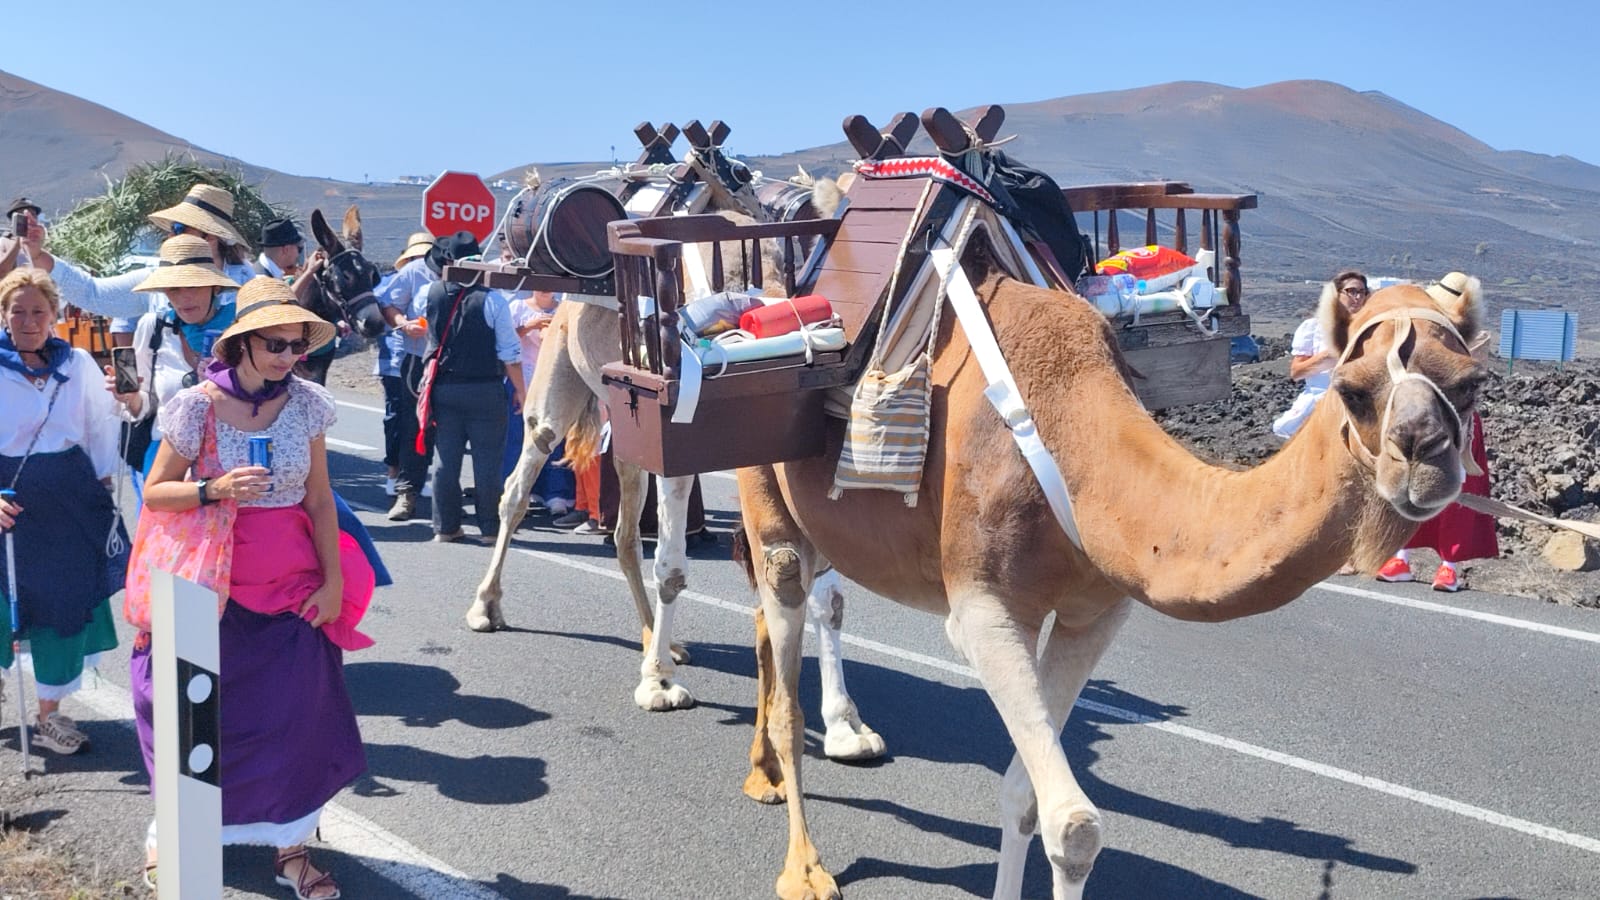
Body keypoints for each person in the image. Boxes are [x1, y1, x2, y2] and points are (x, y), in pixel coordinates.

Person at [135, 277, 373, 897]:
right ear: (241, 343)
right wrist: (213, 488)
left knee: (297, 719)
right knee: (194, 718)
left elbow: (321, 501)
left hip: (292, 586)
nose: (287, 357)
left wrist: (333, 579)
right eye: (274, 344)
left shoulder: (308, 403)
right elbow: (157, 492)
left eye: (296, 346)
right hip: (205, 588)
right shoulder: (197, 405)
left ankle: (290, 847)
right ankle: (176, 838)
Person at [0, 269, 127, 755]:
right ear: (4, 315)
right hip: (10, 503)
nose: (29, 320)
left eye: (38, 311)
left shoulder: (77, 364)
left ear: (56, 315)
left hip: (71, 504)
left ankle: (50, 715)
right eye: (18, 311)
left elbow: (101, 423)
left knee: (63, 606)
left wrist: (99, 479)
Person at [1375, 272, 1499, 592]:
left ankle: (1449, 566)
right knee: (1408, 481)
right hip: (1420, 413)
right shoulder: (1422, 331)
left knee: (1455, 489)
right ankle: (1400, 556)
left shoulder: (1476, 337)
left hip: (1459, 422)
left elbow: (1460, 374)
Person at [419, 232, 525, 542]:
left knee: (445, 460)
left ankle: (446, 527)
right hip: (486, 390)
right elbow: (510, 353)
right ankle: (491, 529)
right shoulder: (493, 300)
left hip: (444, 388)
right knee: (487, 461)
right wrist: (521, 390)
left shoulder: (431, 293)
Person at [378, 231, 439, 520]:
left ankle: (450, 497)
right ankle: (406, 491)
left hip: (456, 362)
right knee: (412, 424)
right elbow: (388, 305)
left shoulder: (470, 274)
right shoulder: (413, 273)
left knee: (449, 429)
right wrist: (404, 324)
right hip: (417, 358)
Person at [1273, 270, 1369, 439]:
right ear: (1336, 294)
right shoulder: (1313, 328)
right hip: (1320, 398)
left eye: (1362, 292)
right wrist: (1326, 357)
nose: (1358, 297)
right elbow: (1296, 372)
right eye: (1352, 291)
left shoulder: (1371, 330)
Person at [506, 290, 575, 515]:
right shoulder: (517, 307)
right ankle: (520, 492)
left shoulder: (564, 307)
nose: (545, 288)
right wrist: (529, 327)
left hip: (556, 376)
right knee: (519, 437)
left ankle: (557, 493)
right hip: (523, 375)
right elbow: (505, 341)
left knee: (556, 436)